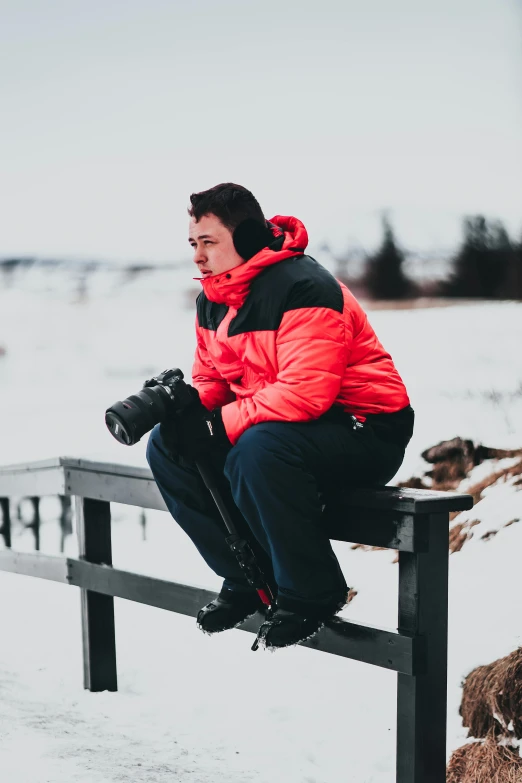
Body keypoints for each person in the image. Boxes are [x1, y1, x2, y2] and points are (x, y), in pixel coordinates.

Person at [146, 183, 414, 651]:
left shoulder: (304, 287)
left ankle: (312, 590)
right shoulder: (213, 299)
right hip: (288, 429)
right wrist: (189, 411)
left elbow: (306, 393)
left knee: (257, 449)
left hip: (365, 429)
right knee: (169, 446)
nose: (198, 256)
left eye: (209, 242)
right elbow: (212, 377)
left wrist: (220, 424)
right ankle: (245, 578)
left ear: (247, 240)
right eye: (193, 243)